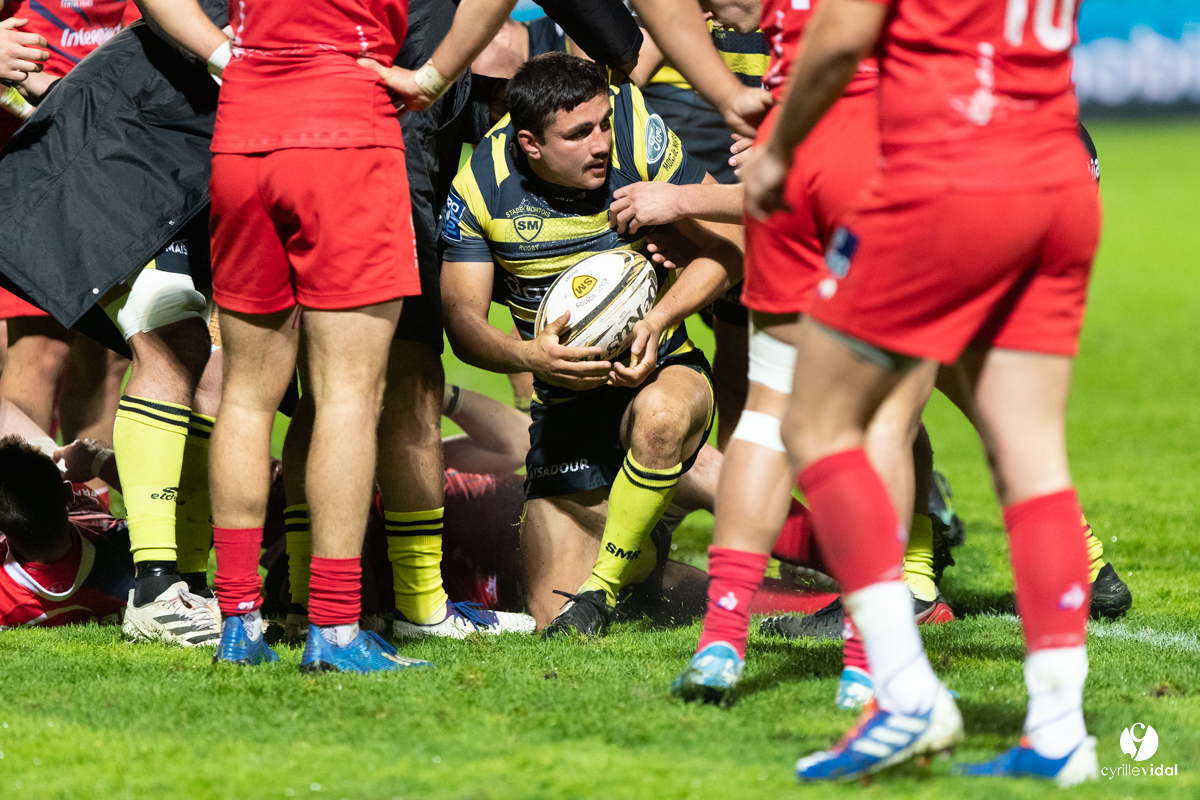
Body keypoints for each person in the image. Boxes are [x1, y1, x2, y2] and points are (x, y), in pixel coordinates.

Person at [742, 0, 1101, 784]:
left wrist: (781, 150)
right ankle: (1058, 730)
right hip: (1057, 176)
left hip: (946, 177)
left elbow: (838, 39)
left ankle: (904, 692)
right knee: (1033, 456)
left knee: (817, 423)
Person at [440, 52, 744, 636]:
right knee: (551, 613)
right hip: (563, 406)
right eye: (579, 134)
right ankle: (645, 558)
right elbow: (462, 322)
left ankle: (867, 571)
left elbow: (733, 247)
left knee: (663, 418)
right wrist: (528, 356)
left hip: (663, 368)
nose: (600, 143)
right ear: (530, 143)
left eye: (601, 124)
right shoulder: (479, 188)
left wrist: (661, 317)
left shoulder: (635, 134)